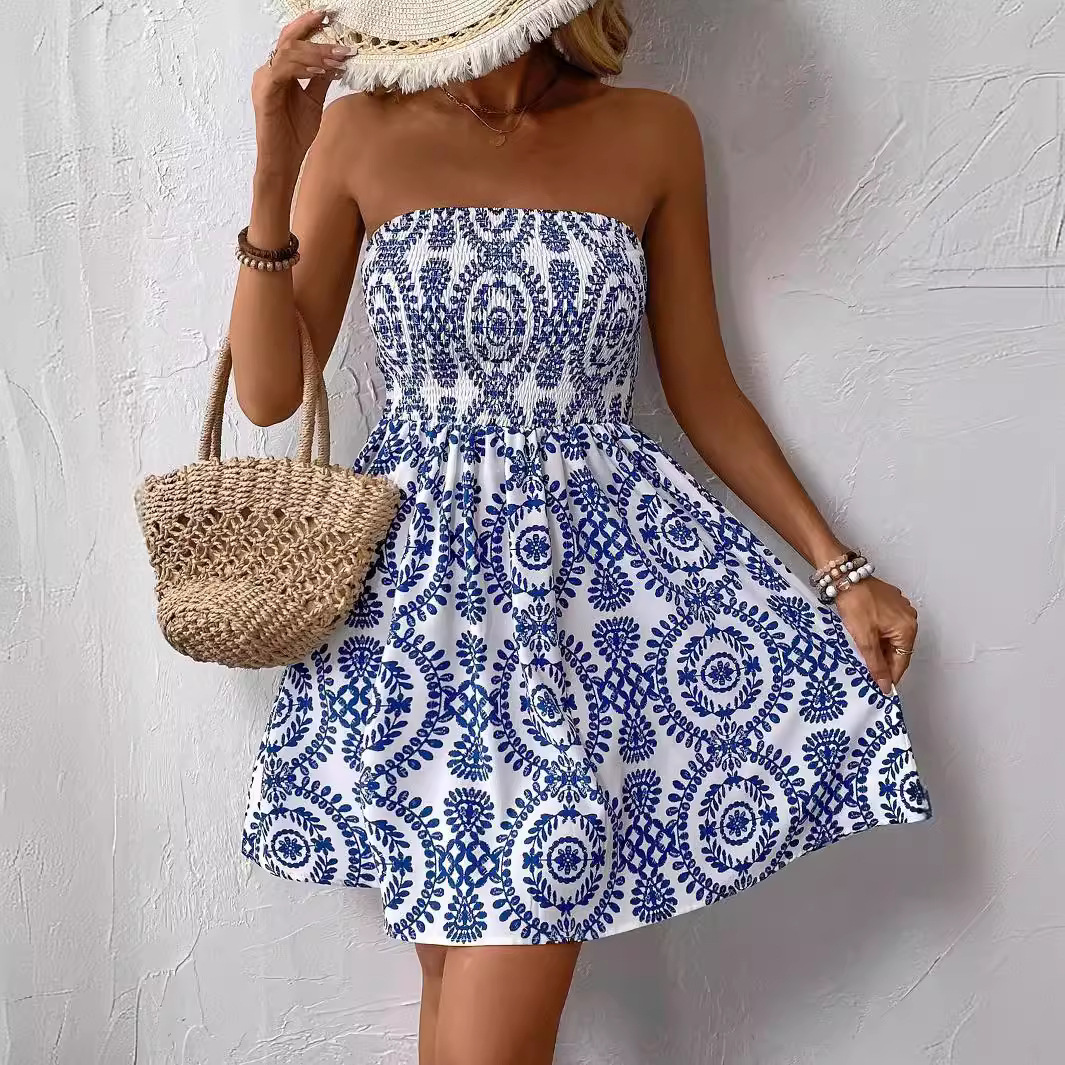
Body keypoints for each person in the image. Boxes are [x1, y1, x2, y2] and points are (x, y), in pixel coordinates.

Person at [230, 4, 930, 1063]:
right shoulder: (361, 133)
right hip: (415, 619)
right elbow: (270, 393)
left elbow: (703, 388)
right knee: (456, 994)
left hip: (585, 617)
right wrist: (274, 166)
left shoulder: (653, 131)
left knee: (492, 986)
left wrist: (840, 571)